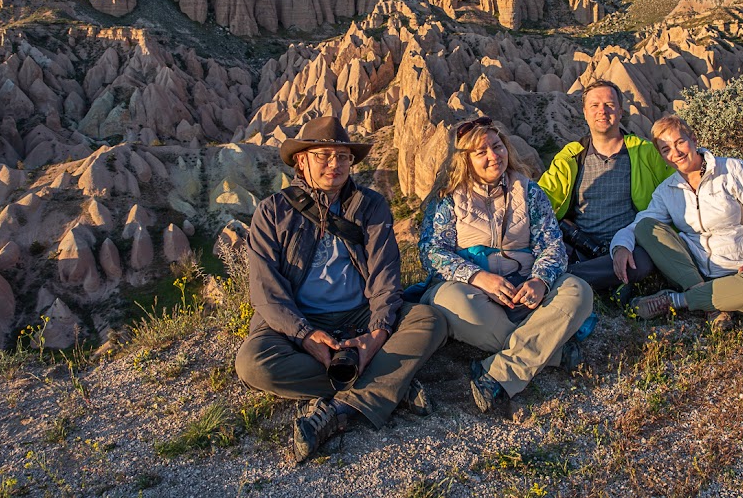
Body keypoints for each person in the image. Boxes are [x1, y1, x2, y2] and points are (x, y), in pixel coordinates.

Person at [235, 117, 447, 464]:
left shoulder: (370, 206)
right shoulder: (273, 211)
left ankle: (339, 410)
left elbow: (384, 277)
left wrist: (377, 333)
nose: (335, 164)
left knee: (430, 320)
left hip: (360, 315)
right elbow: (265, 291)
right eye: (324, 156)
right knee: (253, 365)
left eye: (343, 156)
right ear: (302, 160)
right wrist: (305, 335)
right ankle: (390, 383)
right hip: (299, 320)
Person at [418, 116, 593, 413]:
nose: (493, 156)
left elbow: (552, 244)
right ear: (465, 160)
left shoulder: (529, 191)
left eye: (497, 147)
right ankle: (553, 349)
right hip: (473, 293)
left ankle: (498, 372)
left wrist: (540, 281)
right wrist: (478, 277)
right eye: (481, 152)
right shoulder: (448, 199)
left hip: (525, 286)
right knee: (447, 301)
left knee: (579, 291)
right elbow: (432, 251)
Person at [613, 115, 743, 330]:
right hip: (691, 272)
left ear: (693, 139)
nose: (675, 153)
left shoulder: (734, 171)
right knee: (648, 226)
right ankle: (713, 303)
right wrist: (620, 246)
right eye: (666, 150)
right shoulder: (667, 191)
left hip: (737, 272)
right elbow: (638, 226)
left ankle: (676, 301)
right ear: (662, 157)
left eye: (679, 142)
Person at [538, 80, 674, 299]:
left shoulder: (644, 151)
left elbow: (674, 186)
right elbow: (544, 196)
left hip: (630, 243)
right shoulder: (571, 156)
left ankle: (561, 279)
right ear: (584, 112)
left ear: (620, 111)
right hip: (580, 246)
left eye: (610, 105)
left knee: (643, 261)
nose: (602, 111)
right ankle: (609, 282)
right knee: (546, 249)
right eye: (595, 105)